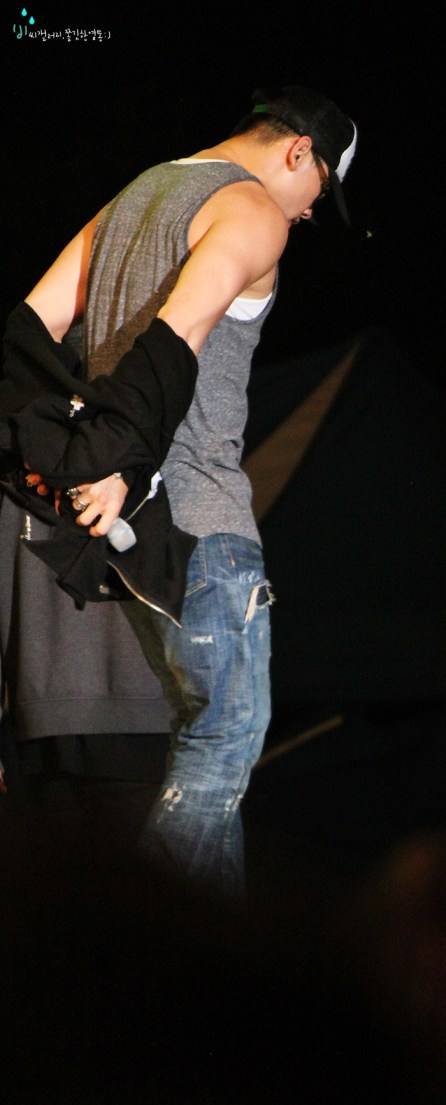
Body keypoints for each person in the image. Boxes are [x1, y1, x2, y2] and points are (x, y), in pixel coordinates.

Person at [2, 85, 357, 899]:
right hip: (201, 523)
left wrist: (58, 453)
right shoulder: (253, 207)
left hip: (131, 535)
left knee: (203, 772)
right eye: (320, 190)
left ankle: (199, 971)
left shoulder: (132, 196)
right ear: (298, 151)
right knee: (229, 733)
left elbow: (28, 329)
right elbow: (180, 335)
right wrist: (116, 457)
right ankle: (146, 925)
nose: (309, 212)